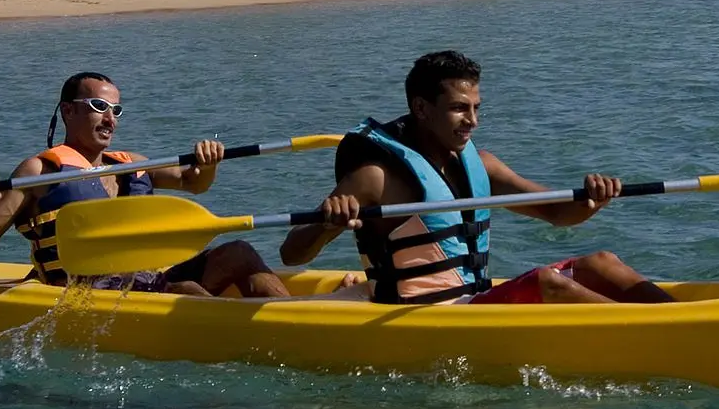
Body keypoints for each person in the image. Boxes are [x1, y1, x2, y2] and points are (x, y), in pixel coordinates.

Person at [280, 51, 675, 305]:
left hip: (475, 302)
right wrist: (327, 223)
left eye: (476, 107)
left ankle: (682, 318)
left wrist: (593, 200)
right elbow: (292, 254)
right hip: (423, 315)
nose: (472, 120)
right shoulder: (375, 178)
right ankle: (654, 333)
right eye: (459, 108)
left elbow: (558, 213)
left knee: (601, 263)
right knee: (547, 282)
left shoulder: (481, 164)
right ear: (421, 108)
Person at [0, 71, 290, 298]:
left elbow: (194, 183)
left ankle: (292, 317)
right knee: (186, 290)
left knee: (238, 253)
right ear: (67, 111)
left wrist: (208, 164)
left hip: (144, 281)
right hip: (83, 292)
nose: (110, 119)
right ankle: (236, 336)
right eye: (99, 107)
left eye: (116, 110)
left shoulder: (131, 164)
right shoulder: (39, 170)